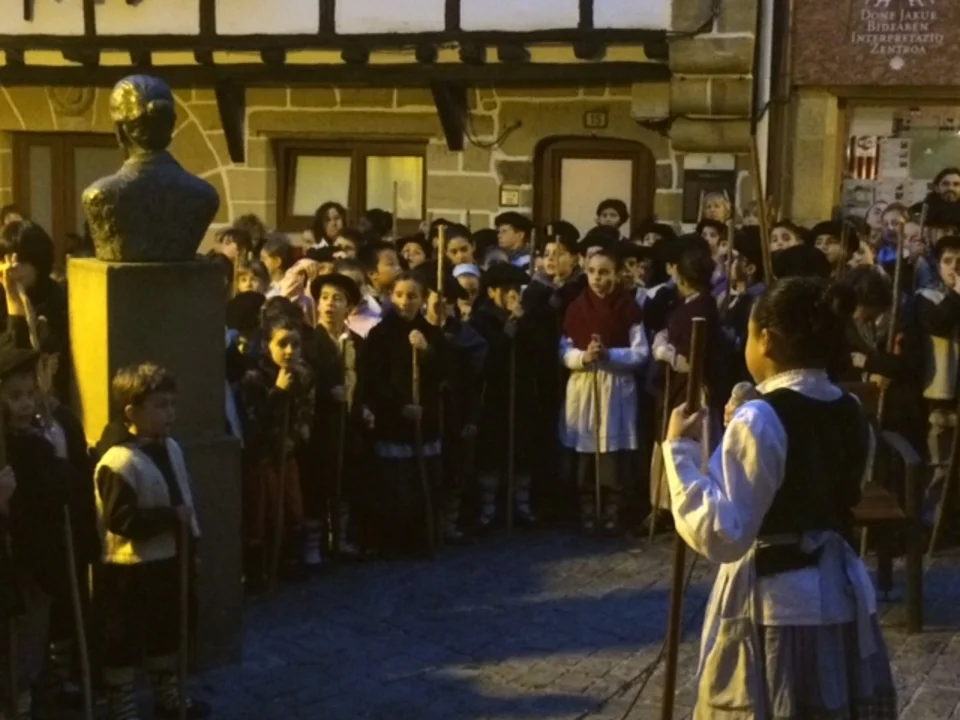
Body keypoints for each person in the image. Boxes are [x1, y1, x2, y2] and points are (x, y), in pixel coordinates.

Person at [663, 276, 896, 718]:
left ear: (766, 339)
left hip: (778, 604)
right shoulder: (848, 408)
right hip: (838, 591)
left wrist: (681, 452)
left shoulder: (761, 417)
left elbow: (725, 533)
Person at [94, 363, 211, 719]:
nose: (170, 413)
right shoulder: (118, 461)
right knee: (124, 637)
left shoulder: (171, 448)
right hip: (130, 567)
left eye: (172, 404)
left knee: (166, 628)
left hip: (170, 559)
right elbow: (120, 519)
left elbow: (183, 495)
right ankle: (122, 705)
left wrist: (191, 544)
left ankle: (168, 696)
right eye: (160, 406)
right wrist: (169, 518)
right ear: (131, 413)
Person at [0, 327, 75, 720]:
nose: (26, 404)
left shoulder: (38, 442)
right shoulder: (8, 450)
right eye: (15, 397)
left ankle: (24, 704)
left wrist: (57, 455)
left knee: (30, 640)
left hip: (36, 559)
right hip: (10, 562)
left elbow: (61, 489)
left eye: (29, 394)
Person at [560, 249, 647, 535]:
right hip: (585, 386)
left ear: (616, 274)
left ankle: (612, 511)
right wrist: (584, 356)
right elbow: (563, 349)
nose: (597, 278)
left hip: (615, 388)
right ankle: (587, 509)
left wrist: (610, 355)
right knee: (586, 454)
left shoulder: (628, 308)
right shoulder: (576, 308)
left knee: (613, 456)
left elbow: (640, 352)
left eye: (604, 272)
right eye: (592, 272)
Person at [362, 271, 447, 556]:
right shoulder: (380, 334)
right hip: (393, 420)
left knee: (424, 481)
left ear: (422, 299)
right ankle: (394, 541)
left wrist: (426, 351)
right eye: (399, 295)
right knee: (396, 485)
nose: (405, 302)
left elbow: (444, 374)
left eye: (412, 296)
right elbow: (373, 380)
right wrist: (399, 407)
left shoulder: (432, 332)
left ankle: (425, 536)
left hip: (425, 417)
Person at [239, 315, 314, 587]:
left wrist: (296, 435)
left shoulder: (303, 374)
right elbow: (255, 422)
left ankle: (289, 564)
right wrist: (279, 392)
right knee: (261, 512)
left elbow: (305, 413)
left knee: (292, 507)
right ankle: (259, 573)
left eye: (295, 344)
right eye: (282, 344)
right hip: (261, 458)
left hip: (287, 454)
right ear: (267, 345)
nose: (289, 351)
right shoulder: (254, 377)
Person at [471, 263, 537, 530]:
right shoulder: (481, 320)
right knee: (492, 450)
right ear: (491, 292)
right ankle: (488, 508)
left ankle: (521, 504)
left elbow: (535, 352)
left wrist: (522, 323)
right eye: (505, 289)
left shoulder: (525, 316)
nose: (511, 294)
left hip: (521, 391)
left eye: (515, 289)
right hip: (494, 393)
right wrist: (507, 333)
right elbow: (487, 362)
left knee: (522, 448)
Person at [307, 273, 368, 558]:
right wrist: (326, 393)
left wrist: (364, 406)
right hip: (320, 426)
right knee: (317, 482)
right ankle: (314, 544)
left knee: (346, 482)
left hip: (349, 424)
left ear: (350, 307)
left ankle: (340, 538)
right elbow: (305, 381)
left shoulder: (358, 343)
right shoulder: (309, 342)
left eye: (337, 299)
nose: (330, 304)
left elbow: (366, 382)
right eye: (325, 298)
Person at [915, 235, 960, 525]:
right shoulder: (927, 296)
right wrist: (957, 294)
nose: (954, 267)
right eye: (948, 261)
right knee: (940, 463)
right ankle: (932, 522)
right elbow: (939, 323)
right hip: (943, 391)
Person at [0, 222, 70, 401]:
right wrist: (13, 304)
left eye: (22, 261)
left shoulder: (56, 299)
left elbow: (34, 361)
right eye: (4, 260)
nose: (12, 268)